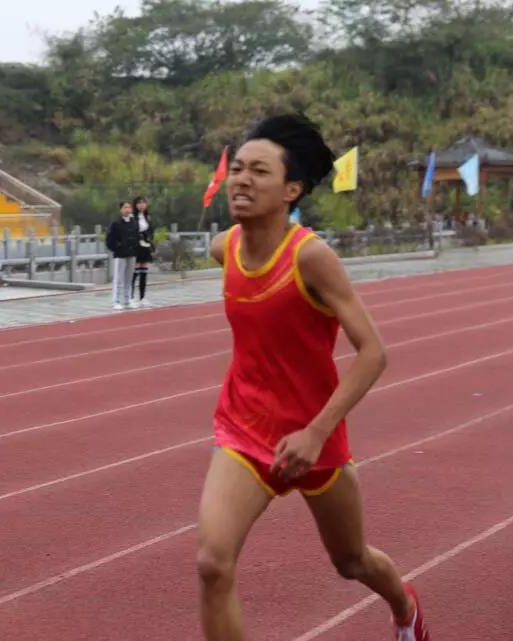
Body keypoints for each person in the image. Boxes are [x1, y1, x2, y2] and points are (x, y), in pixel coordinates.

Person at [197, 114, 430, 641]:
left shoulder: (311, 258)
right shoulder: (224, 247)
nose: (241, 180)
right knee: (212, 563)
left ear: (291, 190)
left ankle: (404, 607)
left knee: (351, 560)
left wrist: (315, 432)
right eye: (238, 168)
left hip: (314, 438)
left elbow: (372, 352)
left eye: (259, 171)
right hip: (243, 430)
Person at [106, 200, 139, 310]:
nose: (127, 209)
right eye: (125, 207)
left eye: (129, 207)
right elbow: (110, 240)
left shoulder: (134, 223)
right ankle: (116, 301)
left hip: (132, 254)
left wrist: (135, 248)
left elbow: (137, 237)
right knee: (119, 279)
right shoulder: (116, 224)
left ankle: (127, 300)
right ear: (121, 210)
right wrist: (117, 248)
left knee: (129, 279)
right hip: (120, 254)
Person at [131, 196, 155, 307]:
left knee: (144, 272)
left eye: (143, 203)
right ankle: (130, 297)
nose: (141, 205)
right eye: (139, 203)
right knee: (134, 271)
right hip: (136, 246)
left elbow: (151, 230)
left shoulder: (147, 217)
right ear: (135, 205)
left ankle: (142, 297)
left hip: (145, 246)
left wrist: (149, 237)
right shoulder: (132, 217)